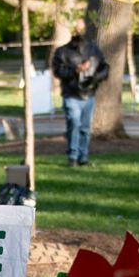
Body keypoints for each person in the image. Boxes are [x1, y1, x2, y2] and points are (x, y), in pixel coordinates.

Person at [51, 18, 109, 167]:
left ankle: (83, 156)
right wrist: (76, 70)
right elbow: (58, 71)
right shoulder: (63, 52)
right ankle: (73, 156)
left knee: (85, 127)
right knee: (74, 124)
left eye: (82, 29)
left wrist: (95, 77)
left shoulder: (93, 50)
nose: (79, 32)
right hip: (71, 94)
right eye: (77, 28)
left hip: (88, 95)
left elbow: (104, 68)